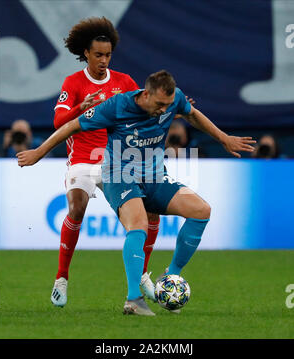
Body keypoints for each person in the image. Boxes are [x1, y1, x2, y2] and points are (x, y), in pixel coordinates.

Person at [17, 70, 256, 316]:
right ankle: (133, 300)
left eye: (168, 105)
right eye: (160, 104)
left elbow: (192, 114)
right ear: (146, 94)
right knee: (139, 224)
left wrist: (224, 138)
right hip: (119, 176)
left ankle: (171, 276)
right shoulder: (116, 106)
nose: (165, 110)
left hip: (155, 177)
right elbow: (71, 126)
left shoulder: (173, 99)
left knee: (201, 210)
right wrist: (38, 152)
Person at [50, 17, 159, 308]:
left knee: (148, 216)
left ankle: (143, 275)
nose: (103, 60)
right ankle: (62, 278)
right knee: (77, 207)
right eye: (98, 55)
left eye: (108, 55)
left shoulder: (124, 82)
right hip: (82, 161)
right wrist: (79, 108)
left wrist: (175, 108)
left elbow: (146, 110)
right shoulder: (73, 83)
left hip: (116, 162)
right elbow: (58, 122)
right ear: (86, 53)